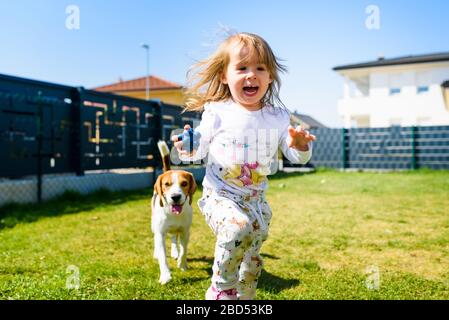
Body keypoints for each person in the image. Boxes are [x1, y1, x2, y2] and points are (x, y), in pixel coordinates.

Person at [172, 32, 316, 300]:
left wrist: (299, 145)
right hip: (220, 196)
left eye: (260, 68)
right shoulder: (218, 110)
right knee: (236, 228)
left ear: (270, 76)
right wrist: (189, 146)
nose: (251, 75)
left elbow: (297, 158)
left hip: (256, 201)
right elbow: (200, 145)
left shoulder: (277, 117)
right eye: (242, 68)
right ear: (225, 75)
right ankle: (221, 287)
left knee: (251, 254)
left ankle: (244, 294)